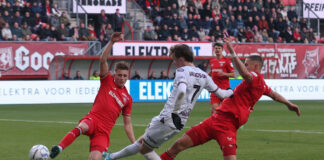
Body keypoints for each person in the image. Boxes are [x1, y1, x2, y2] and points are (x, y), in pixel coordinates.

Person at [159, 38, 301, 160]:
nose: (245, 66)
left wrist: (232, 53)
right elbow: (274, 94)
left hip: (228, 126)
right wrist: (289, 104)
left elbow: (245, 74)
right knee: (178, 145)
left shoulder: (256, 78)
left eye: (247, 64)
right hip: (214, 120)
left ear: (256, 66)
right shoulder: (261, 86)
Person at [103, 44, 234, 160]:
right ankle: (112, 156)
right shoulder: (204, 75)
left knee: (144, 149)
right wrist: (233, 91)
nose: (174, 63)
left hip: (169, 118)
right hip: (180, 122)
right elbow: (222, 93)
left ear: (181, 59)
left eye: (174, 60)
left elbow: (182, 89)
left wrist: (175, 111)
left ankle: (111, 157)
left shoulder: (182, 71)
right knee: (142, 141)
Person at [50, 33, 136, 160]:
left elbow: (127, 124)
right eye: (120, 75)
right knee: (82, 127)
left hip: (104, 132)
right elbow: (103, 60)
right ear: (114, 74)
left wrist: (134, 143)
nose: (122, 78)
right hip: (93, 119)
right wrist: (111, 42)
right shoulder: (107, 80)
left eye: (125, 76)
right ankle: (60, 147)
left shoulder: (127, 99)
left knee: (94, 158)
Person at [209, 43, 235, 114]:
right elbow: (211, 72)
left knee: (223, 111)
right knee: (214, 110)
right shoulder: (212, 61)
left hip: (224, 89)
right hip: (214, 89)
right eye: (216, 48)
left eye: (219, 48)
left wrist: (224, 74)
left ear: (222, 50)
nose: (217, 50)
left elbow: (233, 74)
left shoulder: (227, 61)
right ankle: (215, 124)